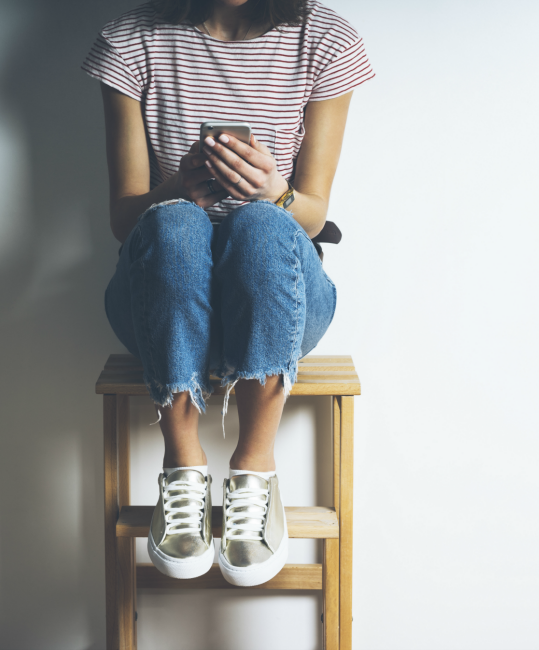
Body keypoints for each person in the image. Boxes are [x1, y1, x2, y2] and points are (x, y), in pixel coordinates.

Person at [82, 0, 374, 587]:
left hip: (278, 292)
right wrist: (179, 187)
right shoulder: (129, 40)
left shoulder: (325, 39)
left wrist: (276, 192)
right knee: (174, 222)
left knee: (263, 223)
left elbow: (311, 215)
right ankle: (183, 466)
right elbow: (124, 218)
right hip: (162, 289)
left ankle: (254, 468)